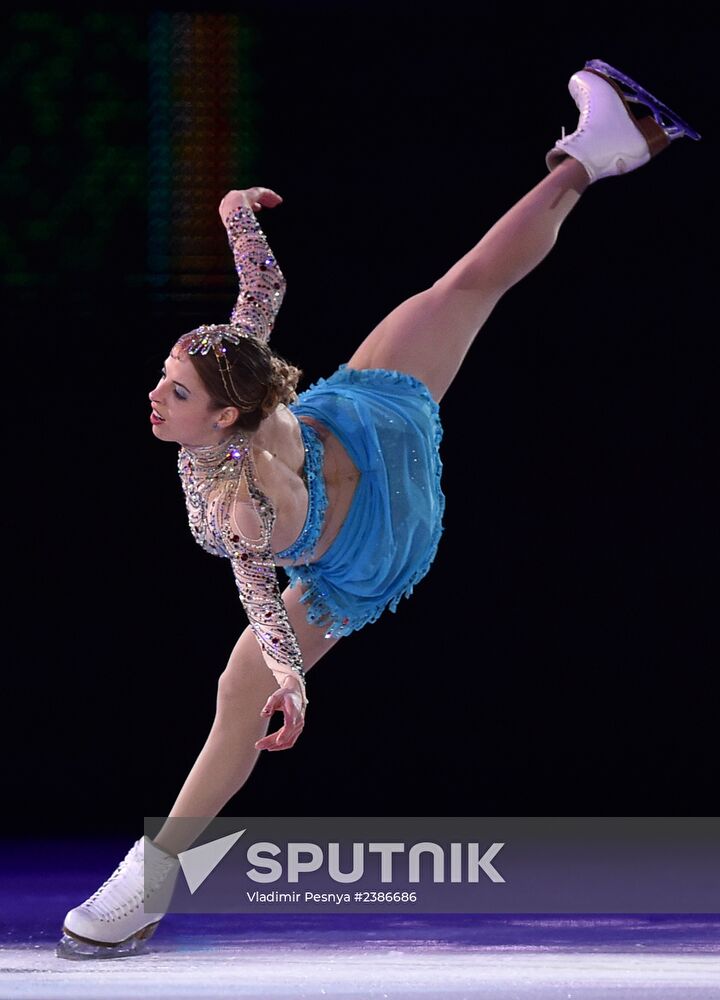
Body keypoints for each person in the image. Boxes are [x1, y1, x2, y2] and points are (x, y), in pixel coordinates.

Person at [56, 59, 699, 959]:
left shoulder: (233, 493)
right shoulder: (242, 404)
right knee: (460, 289)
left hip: (378, 535)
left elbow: (253, 584)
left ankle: (600, 152)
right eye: (165, 384)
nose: (154, 399)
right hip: (372, 440)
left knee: (235, 694)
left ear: (226, 413)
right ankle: (590, 158)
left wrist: (287, 675)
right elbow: (261, 298)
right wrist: (237, 216)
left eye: (173, 389)